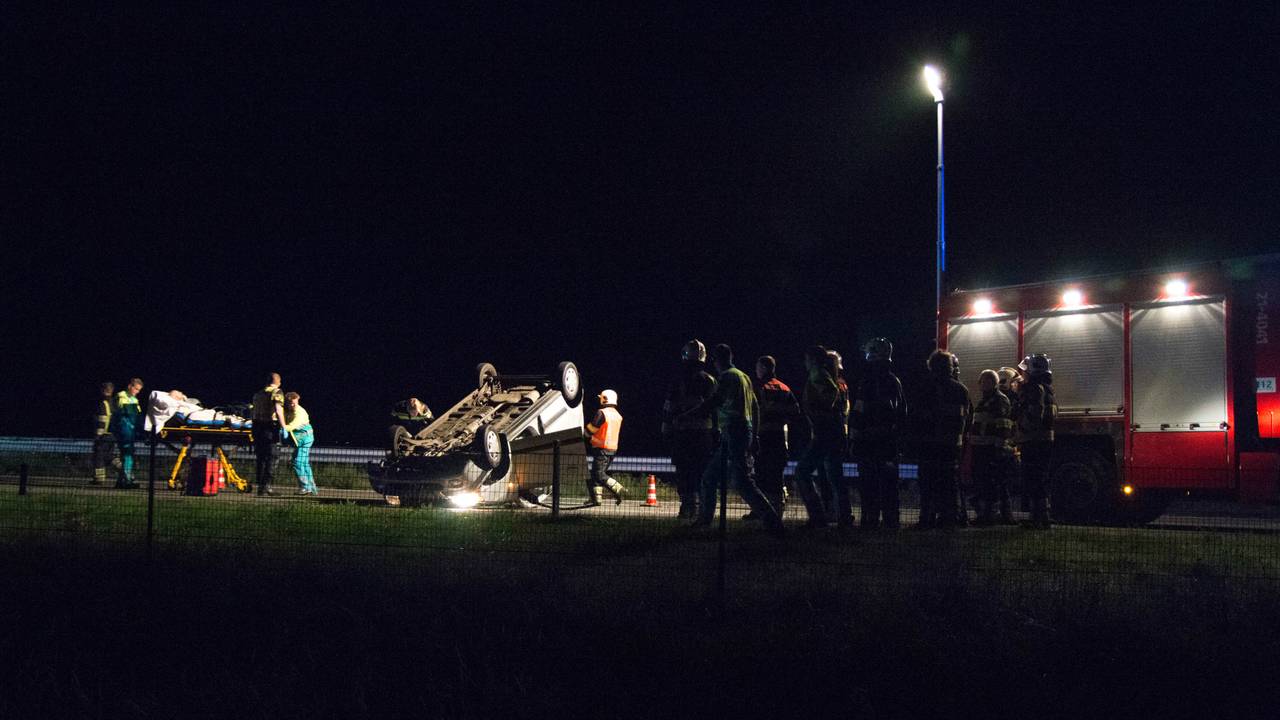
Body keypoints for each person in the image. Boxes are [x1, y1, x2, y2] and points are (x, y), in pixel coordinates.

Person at [685, 344, 783, 535]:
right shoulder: (744, 377)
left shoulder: (727, 377)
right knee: (710, 477)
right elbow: (755, 408)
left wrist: (688, 415)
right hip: (742, 432)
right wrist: (754, 436)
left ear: (715, 360)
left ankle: (773, 521)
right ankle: (704, 521)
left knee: (742, 482)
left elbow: (715, 401)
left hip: (734, 431)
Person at [850, 338, 906, 530]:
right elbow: (901, 414)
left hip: (869, 443)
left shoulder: (868, 381)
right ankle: (891, 522)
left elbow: (859, 413)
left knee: (869, 485)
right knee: (890, 485)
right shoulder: (894, 381)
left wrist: (855, 438)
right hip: (889, 443)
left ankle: (869, 521)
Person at [911, 351, 971, 529]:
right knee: (949, 483)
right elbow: (968, 420)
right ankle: (950, 518)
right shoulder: (961, 390)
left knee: (928, 483)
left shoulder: (924, 388)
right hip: (952, 445)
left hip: (929, 446)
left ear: (931, 366)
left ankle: (926, 518)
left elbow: (916, 418)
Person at [660, 340, 719, 519]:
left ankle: (687, 507)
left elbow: (668, 407)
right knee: (701, 471)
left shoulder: (678, 380)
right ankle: (703, 509)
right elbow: (716, 408)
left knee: (684, 472)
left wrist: (666, 427)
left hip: (683, 433)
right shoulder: (711, 380)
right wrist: (716, 431)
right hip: (704, 435)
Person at [792, 345, 842, 529]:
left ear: (812, 359)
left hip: (824, 433)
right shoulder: (823, 373)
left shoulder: (817, 373)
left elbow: (831, 393)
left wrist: (820, 412)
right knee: (833, 475)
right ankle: (835, 516)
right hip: (827, 433)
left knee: (802, 472)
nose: (805, 363)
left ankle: (818, 517)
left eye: (807, 359)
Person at [751, 355, 800, 519]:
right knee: (777, 475)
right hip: (779, 437)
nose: (756, 371)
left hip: (762, 436)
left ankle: (760, 510)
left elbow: (753, 411)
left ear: (764, 368)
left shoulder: (759, 387)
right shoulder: (784, 388)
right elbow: (795, 412)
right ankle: (777, 509)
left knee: (761, 474)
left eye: (758, 367)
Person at [1014, 354, 1057, 529]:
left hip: (1033, 440)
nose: (1023, 375)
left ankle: (1036, 518)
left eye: (1025, 371)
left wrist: (1020, 431)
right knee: (1041, 478)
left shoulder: (1033, 388)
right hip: (1045, 439)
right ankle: (1043, 515)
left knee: (1032, 478)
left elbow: (1032, 415)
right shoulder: (1048, 389)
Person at [968, 369, 1016, 526]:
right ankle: (992, 515)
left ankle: (990, 516)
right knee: (988, 483)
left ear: (990, 382)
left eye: (982, 381)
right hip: (982, 448)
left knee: (992, 483)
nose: (980, 384)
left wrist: (999, 448)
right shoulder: (986, 401)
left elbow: (1003, 426)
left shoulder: (998, 401)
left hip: (991, 450)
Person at [584, 389, 626, 505]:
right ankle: (596, 499)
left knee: (598, 474)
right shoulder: (617, 415)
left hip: (601, 449)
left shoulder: (602, 413)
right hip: (612, 449)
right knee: (594, 475)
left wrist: (583, 434)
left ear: (604, 399)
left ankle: (619, 489)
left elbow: (592, 429)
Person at [251, 372, 286, 497]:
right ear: (278, 381)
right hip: (270, 428)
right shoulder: (277, 392)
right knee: (273, 457)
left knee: (261, 458)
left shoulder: (258, 394)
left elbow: (253, 411)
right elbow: (278, 410)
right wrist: (284, 426)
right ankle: (267, 487)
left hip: (256, 427)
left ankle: (260, 487)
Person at [995, 367, 1022, 524]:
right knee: (1004, 482)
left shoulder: (1001, 399)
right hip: (1007, 447)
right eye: (1014, 382)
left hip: (1004, 446)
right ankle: (1006, 514)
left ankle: (1004, 513)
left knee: (1003, 482)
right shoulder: (1009, 400)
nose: (1016, 385)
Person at [108, 377, 144, 489]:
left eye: (139, 390)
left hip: (130, 432)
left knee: (127, 456)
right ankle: (127, 481)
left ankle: (121, 481)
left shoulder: (134, 399)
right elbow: (126, 415)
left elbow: (137, 417)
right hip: (125, 432)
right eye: (136, 389)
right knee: (128, 456)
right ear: (130, 386)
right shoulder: (122, 397)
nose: (137, 392)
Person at [282, 391, 317, 496]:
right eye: (291, 403)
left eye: (294, 403)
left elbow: (293, 425)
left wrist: (284, 428)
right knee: (304, 463)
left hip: (305, 439)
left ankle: (305, 487)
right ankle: (312, 488)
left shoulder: (300, 412)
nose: (293, 405)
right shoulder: (287, 410)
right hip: (302, 439)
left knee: (297, 462)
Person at [91, 382, 116, 485]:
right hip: (112, 434)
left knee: (99, 456)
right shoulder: (114, 403)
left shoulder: (103, 403)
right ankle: (124, 469)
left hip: (104, 435)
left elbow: (102, 420)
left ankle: (99, 479)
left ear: (103, 390)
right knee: (109, 456)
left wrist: (98, 435)